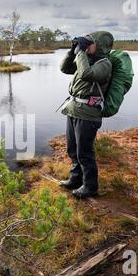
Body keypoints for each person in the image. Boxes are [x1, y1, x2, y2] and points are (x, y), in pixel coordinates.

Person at [58, 31, 114, 199]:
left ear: (100, 45)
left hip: (88, 114)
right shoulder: (86, 60)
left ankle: (90, 186)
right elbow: (65, 68)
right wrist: (72, 51)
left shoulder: (105, 64)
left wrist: (81, 52)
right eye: (86, 42)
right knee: (72, 149)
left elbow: (86, 74)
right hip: (74, 109)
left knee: (84, 153)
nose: (87, 45)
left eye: (90, 43)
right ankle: (76, 179)